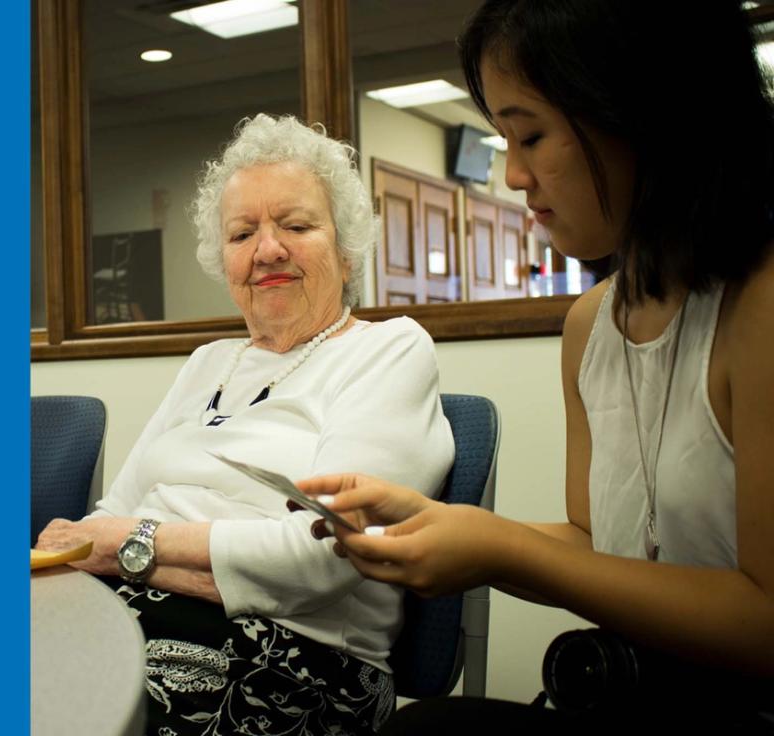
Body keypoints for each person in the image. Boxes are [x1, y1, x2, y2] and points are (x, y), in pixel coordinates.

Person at [298, 0, 774, 731]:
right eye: (502, 140)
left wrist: (503, 549)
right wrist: (449, 525)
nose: (513, 175)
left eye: (531, 135)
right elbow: (597, 543)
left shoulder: (760, 306)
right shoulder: (593, 326)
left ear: (644, 114)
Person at [35, 113, 455, 735]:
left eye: (296, 225)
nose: (268, 250)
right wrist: (122, 546)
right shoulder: (209, 362)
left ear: (345, 245)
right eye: (242, 234)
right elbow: (107, 515)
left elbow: (322, 557)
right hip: (133, 616)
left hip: (298, 660)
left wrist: (131, 546)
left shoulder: (388, 351)